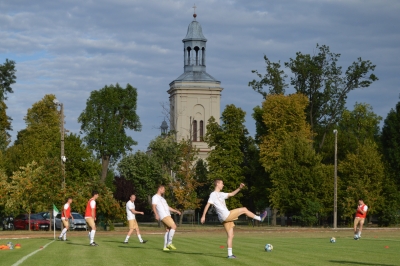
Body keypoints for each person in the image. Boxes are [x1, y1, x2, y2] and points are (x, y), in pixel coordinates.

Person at [201, 180, 267, 259]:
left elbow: (231, 194)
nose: (223, 185)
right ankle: (259, 218)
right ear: (217, 184)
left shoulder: (221, 194)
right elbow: (208, 205)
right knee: (244, 209)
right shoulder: (213, 194)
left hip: (223, 219)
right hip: (226, 215)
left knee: (230, 235)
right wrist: (203, 215)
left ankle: (230, 255)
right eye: (222, 183)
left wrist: (239, 188)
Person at [152, 185, 181, 251]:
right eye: (163, 190)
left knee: (168, 230)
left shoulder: (163, 199)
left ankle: (165, 247)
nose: (164, 191)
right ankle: (169, 243)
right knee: (174, 226)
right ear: (160, 189)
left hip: (167, 215)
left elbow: (168, 207)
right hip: (164, 215)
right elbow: (153, 206)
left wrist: (176, 211)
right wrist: (156, 214)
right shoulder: (155, 197)